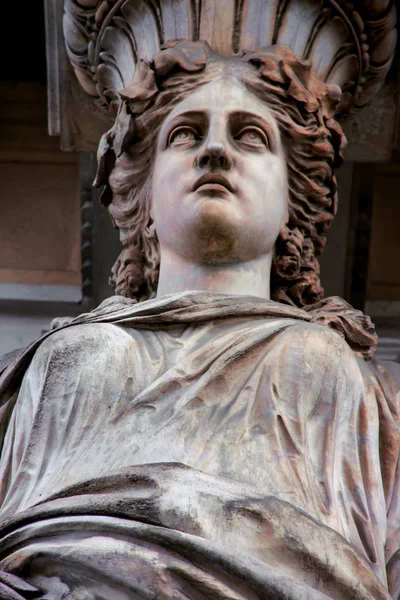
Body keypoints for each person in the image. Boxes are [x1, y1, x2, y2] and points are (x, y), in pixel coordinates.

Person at [0, 41, 398, 600]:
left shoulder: (359, 385)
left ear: (292, 197)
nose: (214, 151)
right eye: (184, 134)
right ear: (141, 192)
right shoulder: (42, 367)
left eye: (250, 136)